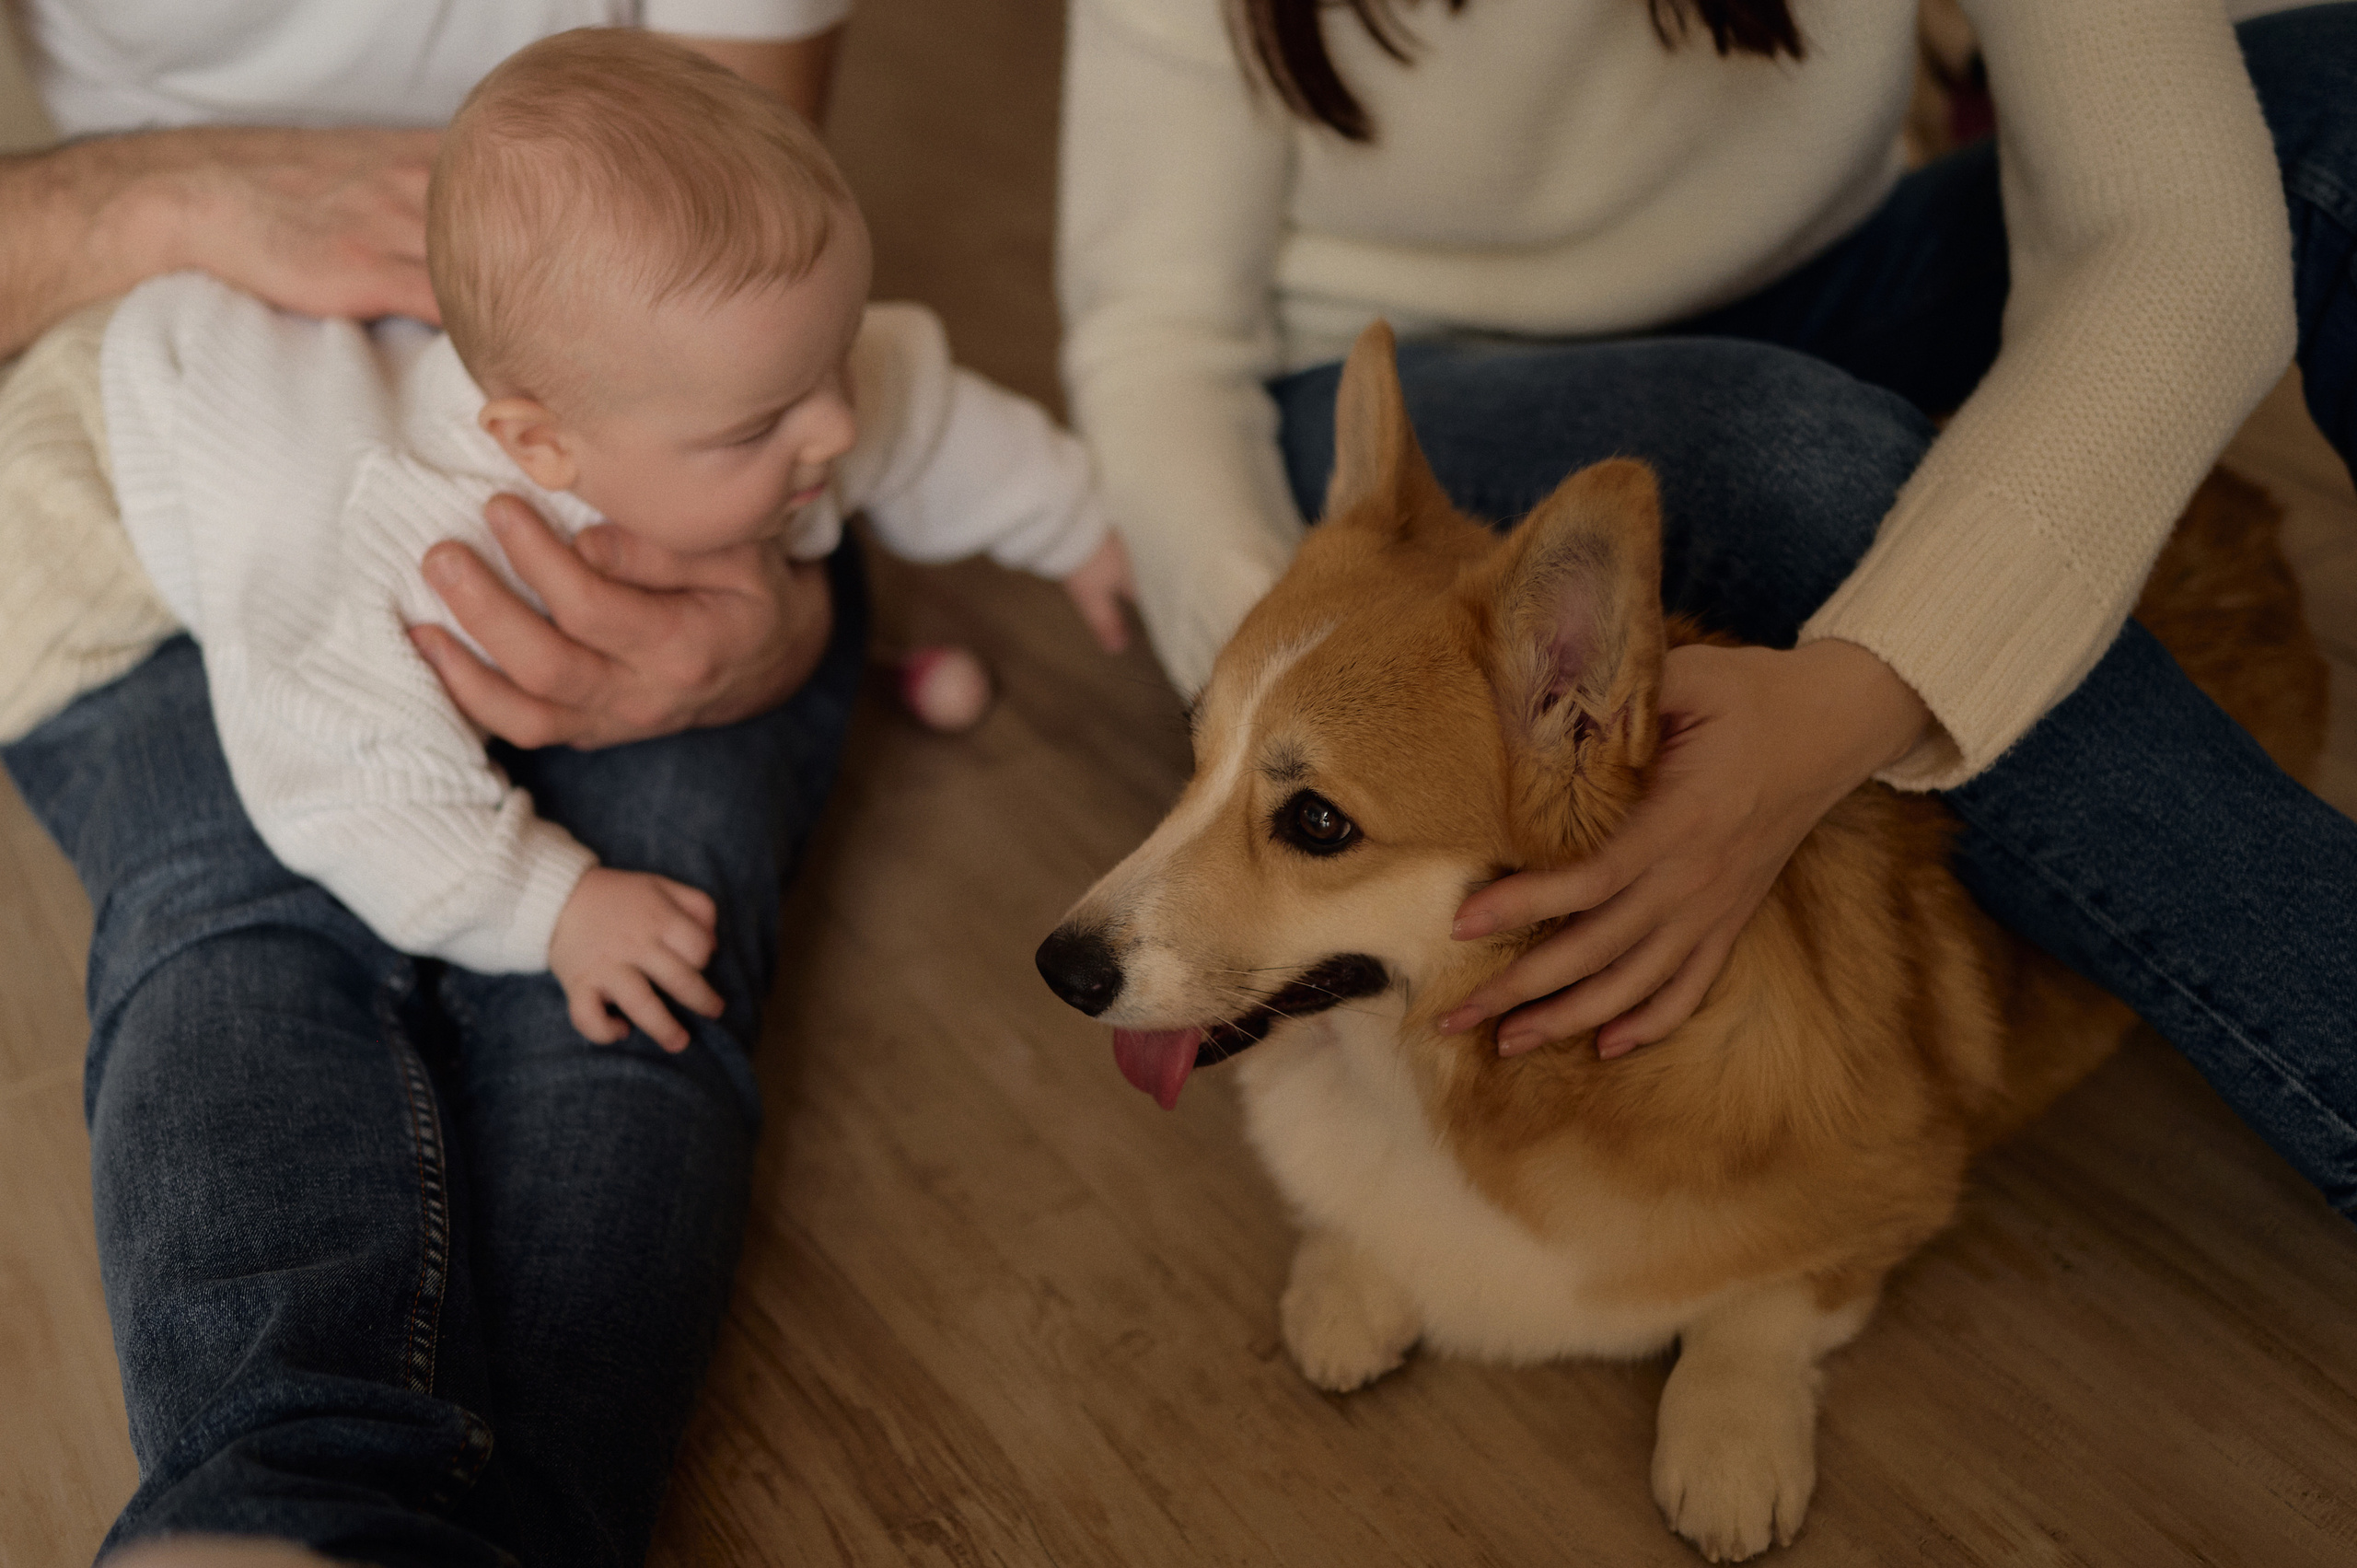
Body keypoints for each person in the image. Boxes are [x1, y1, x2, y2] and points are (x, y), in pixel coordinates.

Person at [1057, 0, 2357, 1219]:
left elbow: (2179, 230)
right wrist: (1328, 666)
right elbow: (1156, 339)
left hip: (1828, 283)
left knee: (2332, 89)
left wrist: (1857, 693)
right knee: (1789, 454)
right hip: (1407, 397)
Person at [0, 3, 888, 1563]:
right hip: (151, 447)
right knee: (237, 901)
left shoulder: (741, 399)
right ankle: (290, 1489)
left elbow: (768, 240)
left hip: (657, 443)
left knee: (646, 948)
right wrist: (151, 203)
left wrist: (780, 596)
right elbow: (333, 775)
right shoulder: (260, 468)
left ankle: (322, 1522)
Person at [8, 29, 1127, 1051]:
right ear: (540, 448)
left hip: (333, 360)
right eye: (763, 426)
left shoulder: (745, 369)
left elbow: (921, 413)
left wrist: (1084, 523)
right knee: (236, 900)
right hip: (78, 485)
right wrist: (551, 903)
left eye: (830, 358)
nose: (835, 421)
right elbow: (342, 780)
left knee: (668, 957)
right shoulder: (403, 545)